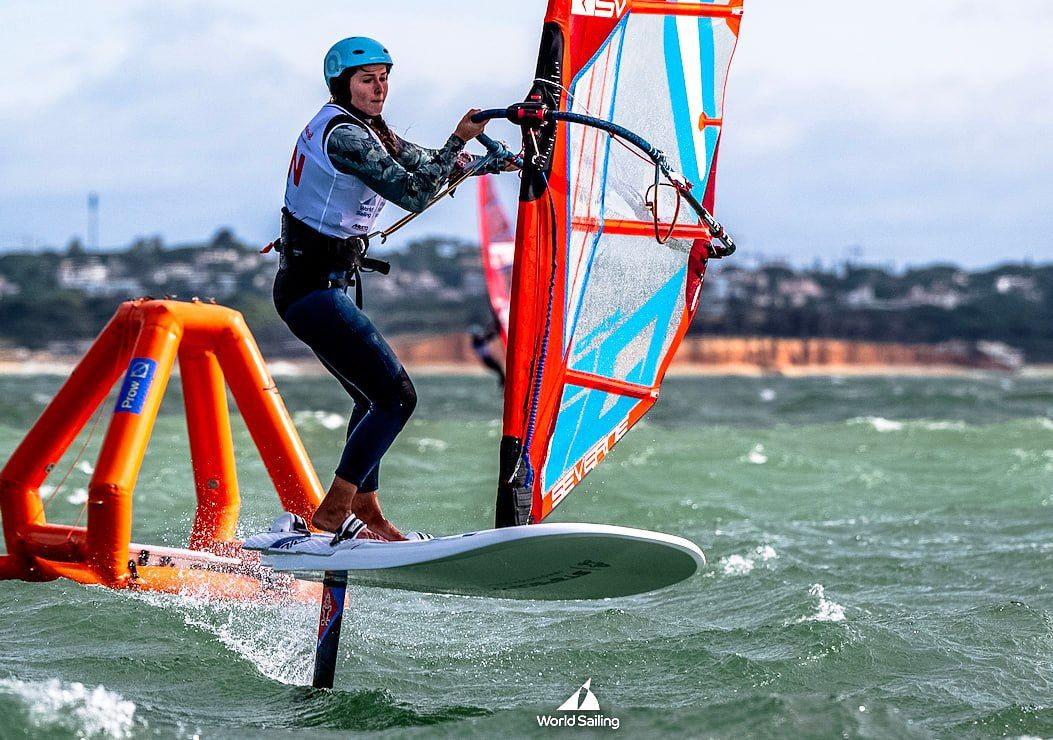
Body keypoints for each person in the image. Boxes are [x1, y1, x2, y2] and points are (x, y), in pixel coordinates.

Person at [273, 36, 492, 542]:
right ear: (342, 85)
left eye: (384, 77)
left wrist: (491, 158)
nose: (379, 88)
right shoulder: (346, 137)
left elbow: (426, 162)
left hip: (320, 288)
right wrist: (461, 148)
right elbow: (416, 191)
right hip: (312, 292)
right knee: (396, 397)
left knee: (370, 398)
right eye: (367, 79)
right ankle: (333, 511)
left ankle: (366, 509)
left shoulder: (371, 132)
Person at [470, 320, 505, 387]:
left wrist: (494, 327)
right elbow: (487, 337)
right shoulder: (476, 342)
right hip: (487, 360)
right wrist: (495, 329)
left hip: (488, 360)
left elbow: (488, 336)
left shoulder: (478, 341)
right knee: (500, 370)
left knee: (500, 371)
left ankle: (502, 384)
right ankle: (502, 384)